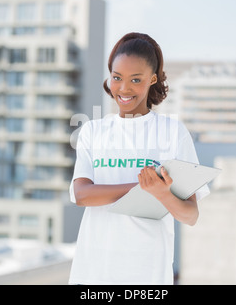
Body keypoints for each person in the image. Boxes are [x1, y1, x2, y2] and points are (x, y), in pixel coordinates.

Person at [68, 32, 210, 285]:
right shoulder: (92, 131)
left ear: (152, 79)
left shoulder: (172, 133)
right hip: (92, 274)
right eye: (117, 78)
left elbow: (190, 215)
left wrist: (164, 194)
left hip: (147, 276)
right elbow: (82, 195)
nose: (124, 88)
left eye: (136, 79)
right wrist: (143, 188)